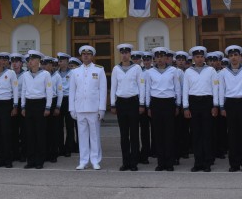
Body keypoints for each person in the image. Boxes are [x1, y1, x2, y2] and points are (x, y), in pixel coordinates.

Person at [142, 47, 180, 172]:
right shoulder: (150, 72)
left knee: (169, 133)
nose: (160, 59)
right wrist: (148, 106)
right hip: (156, 103)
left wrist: (177, 104)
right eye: (157, 57)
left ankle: (169, 162)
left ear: (166, 58)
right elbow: (147, 89)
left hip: (169, 103)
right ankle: (160, 162)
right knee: (158, 134)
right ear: (155, 59)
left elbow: (177, 88)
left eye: (162, 57)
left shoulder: (173, 71)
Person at [218, 45, 242, 172]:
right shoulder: (223, 72)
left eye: (236, 55)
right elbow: (221, 90)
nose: (234, 58)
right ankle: (234, 164)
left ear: (240, 57)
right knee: (232, 135)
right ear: (228, 58)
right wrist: (222, 106)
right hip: (230, 104)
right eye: (231, 56)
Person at [70, 45, 107, 171]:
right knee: (82, 136)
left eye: (88, 54)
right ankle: (83, 161)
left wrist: (102, 108)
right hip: (80, 108)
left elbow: (102, 90)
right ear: (81, 56)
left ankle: (95, 160)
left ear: (92, 56)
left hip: (93, 108)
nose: (86, 56)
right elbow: (72, 92)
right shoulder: (75, 71)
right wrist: (72, 109)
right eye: (84, 54)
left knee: (95, 136)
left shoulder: (99, 70)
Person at [182, 45, 217, 172]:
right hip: (194, 103)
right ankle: (198, 162)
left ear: (204, 58)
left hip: (207, 103)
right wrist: (185, 107)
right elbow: (185, 90)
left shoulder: (211, 71)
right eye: (197, 57)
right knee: (196, 134)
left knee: (207, 134)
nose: (200, 59)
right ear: (193, 58)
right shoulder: (188, 72)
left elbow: (215, 89)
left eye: (202, 56)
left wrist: (215, 105)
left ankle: (207, 162)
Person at [110, 43, 142, 171]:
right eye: (122, 53)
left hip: (133, 102)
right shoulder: (116, 69)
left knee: (134, 134)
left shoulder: (137, 68)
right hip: (121, 103)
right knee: (124, 135)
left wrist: (142, 103)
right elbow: (113, 87)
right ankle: (125, 162)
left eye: (127, 53)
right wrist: (112, 103)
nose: (124, 55)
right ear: (120, 54)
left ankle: (134, 162)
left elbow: (141, 86)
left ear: (130, 54)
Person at [19, 50, 52, 169]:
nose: (30, 62)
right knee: (29, 134)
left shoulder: (45, 74)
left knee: (40, 134)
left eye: (33, 60)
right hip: (29, 104)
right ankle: (30, 160)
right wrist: (23, 106)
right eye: (29, 60)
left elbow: (49, 91)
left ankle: (39, 160)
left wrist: (48, 107)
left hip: (40, 104)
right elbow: (23, 91)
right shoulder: (25, 75)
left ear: (39, 61)